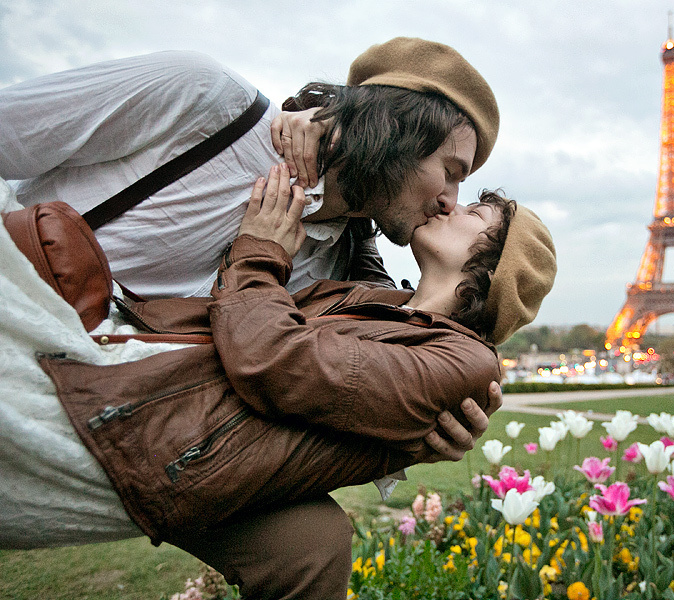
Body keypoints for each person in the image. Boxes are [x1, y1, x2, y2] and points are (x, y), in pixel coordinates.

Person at [0, 165, 557, 599]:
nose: (453, 203)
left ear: (493, 263)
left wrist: (259, 250)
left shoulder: (464, 361)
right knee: (315, 545)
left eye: (477, 213)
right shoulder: (394, 307)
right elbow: (364, 259)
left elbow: (275, 361)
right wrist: (374, 174)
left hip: (152, 434)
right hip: (167, 417)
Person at [0, 37, 500, 461]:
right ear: (398, 129)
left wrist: (442, 417)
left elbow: (341, 377)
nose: (449, 202)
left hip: (81, 428)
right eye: (452, 172)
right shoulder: (204, 99)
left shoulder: (339, 268)